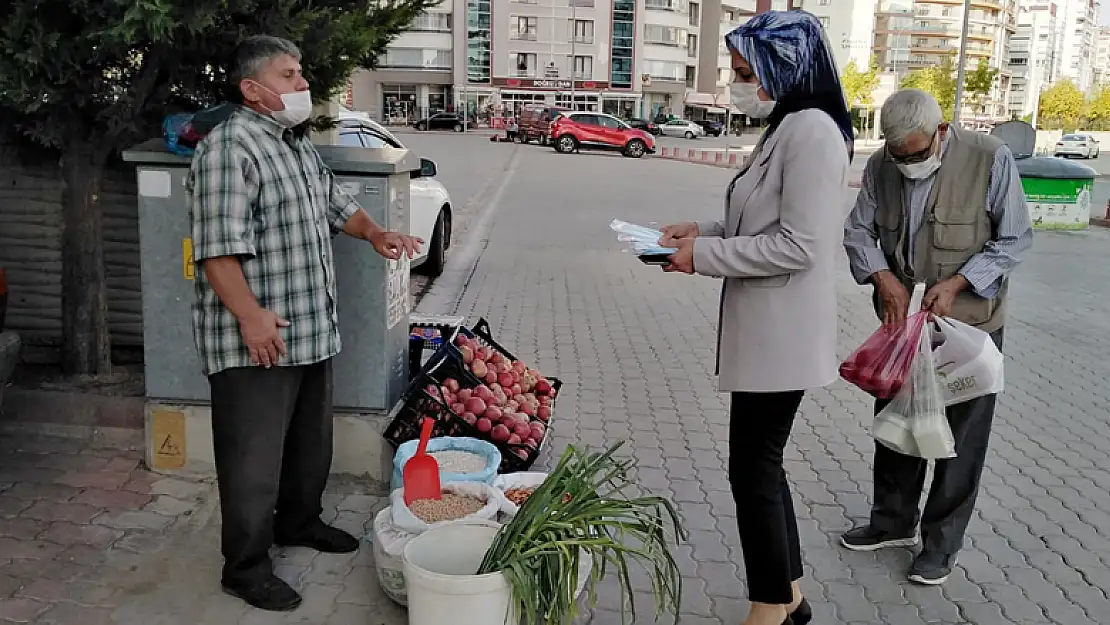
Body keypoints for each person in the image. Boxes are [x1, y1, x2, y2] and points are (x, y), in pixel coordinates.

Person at [186, 35, 423, 611]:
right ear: (253, 89)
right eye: (289, 75)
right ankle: (244, 567)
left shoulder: (290, 143)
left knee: (308, 444)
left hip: (308, 331)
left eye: (300, 73)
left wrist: (375, 232)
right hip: (258, 340)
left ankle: (299, 522)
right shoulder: (229, 150)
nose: (301, 85)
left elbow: (334, 200)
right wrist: (250, 318)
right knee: (252, 459)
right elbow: (217, 250)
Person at [658, 11, 852, 625]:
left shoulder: (814, 132)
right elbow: (758, 220)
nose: (743, 82)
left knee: (754, 473)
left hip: (784, 337)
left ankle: (769, 608)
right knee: (761, 469)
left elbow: (801, 244)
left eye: (748, 71)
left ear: (787, 64)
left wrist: (703, 258)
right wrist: (702, 232)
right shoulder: (785, 127)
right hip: (767, 334)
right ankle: (789, 598)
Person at [841, 88, 1033, 585]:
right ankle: (891, 522)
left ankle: (940, 545)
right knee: (896, 423)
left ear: (941, 132)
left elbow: (1014, 238)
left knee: (960, 439)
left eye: (918, 154)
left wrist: (958, 282)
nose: (907, 164)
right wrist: (882, 277)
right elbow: (859, 230)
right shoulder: (883, 164)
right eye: (899, 155)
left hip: (968, 329)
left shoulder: (990, 158)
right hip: (904, 328)